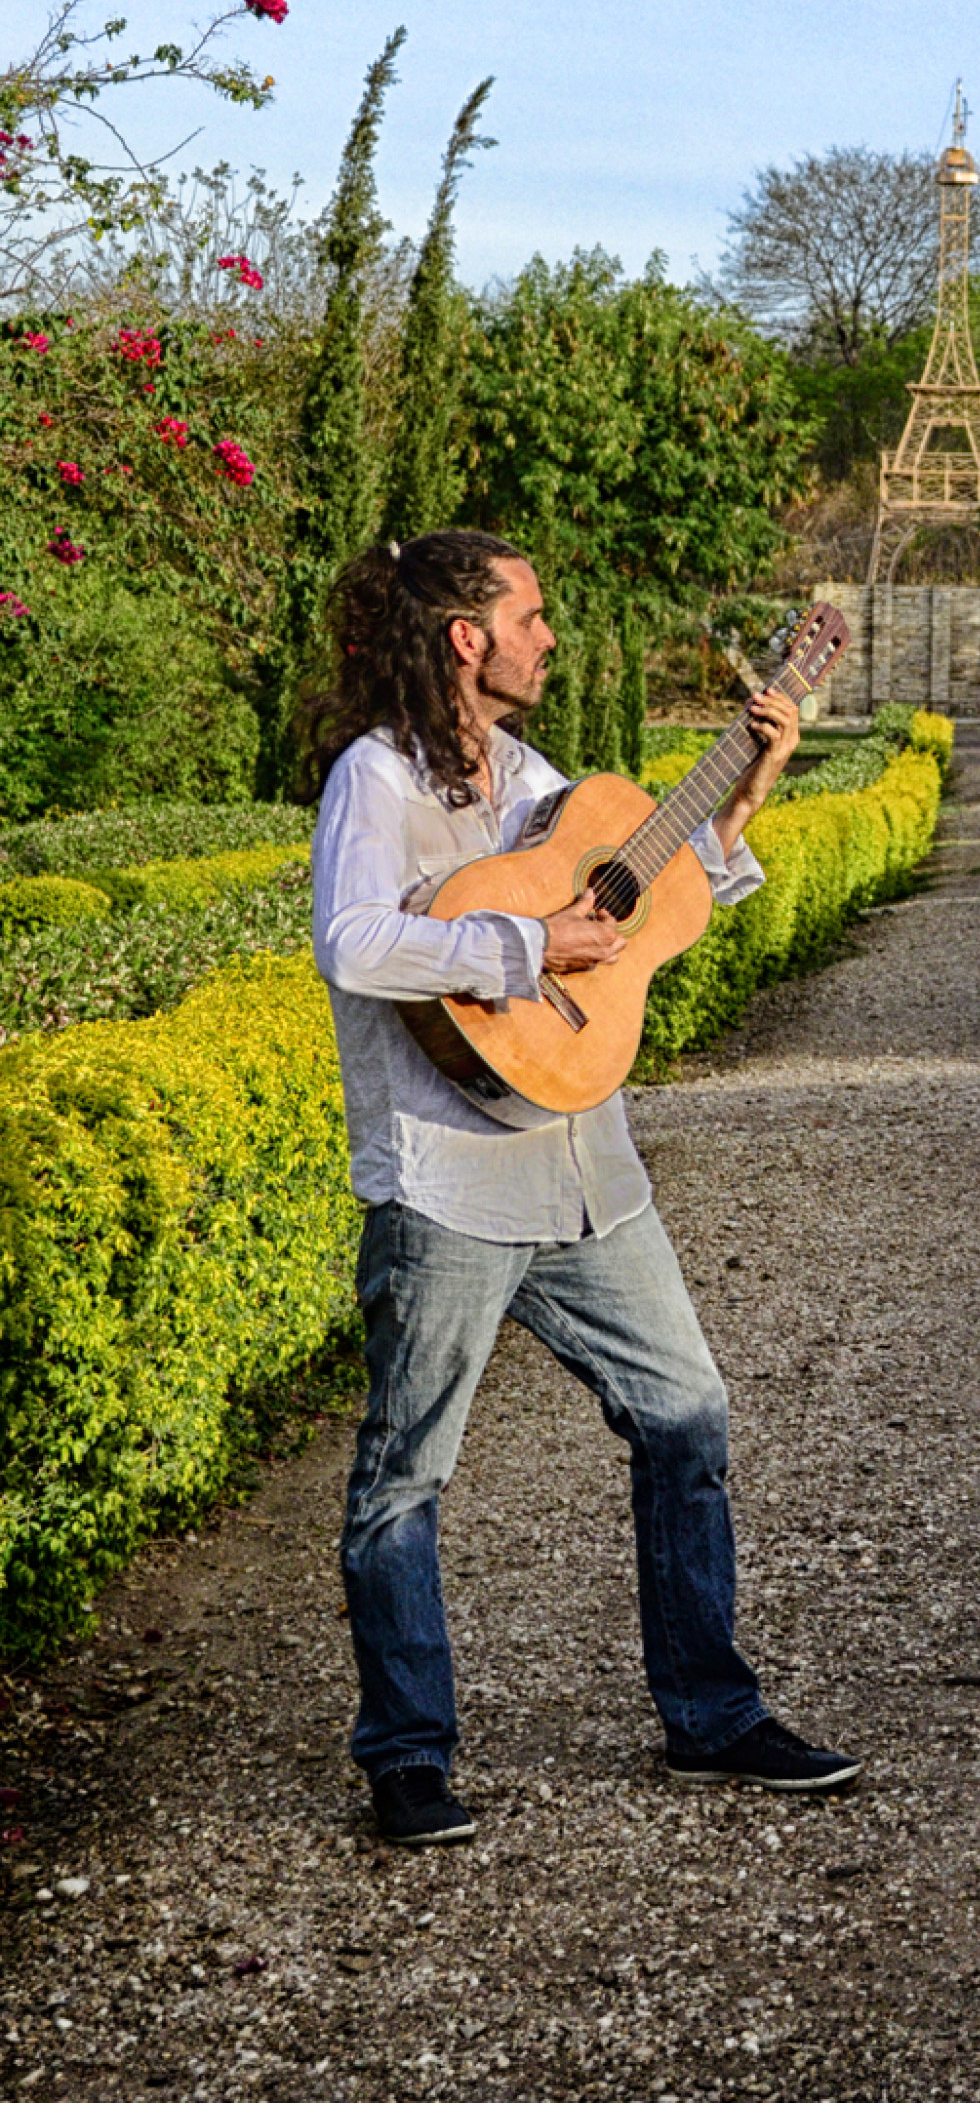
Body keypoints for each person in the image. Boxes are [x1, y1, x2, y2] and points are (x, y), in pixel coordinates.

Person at [305, 529, 860, 1846]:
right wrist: (521, 941)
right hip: (445, 1173)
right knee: (405, 1473)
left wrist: (743, 792)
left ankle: (712, 1718)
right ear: (466, 638)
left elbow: (662, 900)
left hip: (581, 1165)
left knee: (688, 1414)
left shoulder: (539, 776)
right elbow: (353, 941)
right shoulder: (375, 779)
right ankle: (408, 1754)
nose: (550, 638)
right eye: (533, 615)